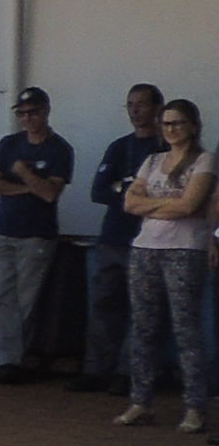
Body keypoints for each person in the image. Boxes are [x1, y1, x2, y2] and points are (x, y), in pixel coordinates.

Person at [116, 99, 215, 432]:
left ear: (193, 125)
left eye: (178, 123)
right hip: (145, 248)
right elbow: (129, 203)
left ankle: (195, 407)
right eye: (166, 124)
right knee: (144, 328)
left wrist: (153, 205)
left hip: (185, 250)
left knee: (186, 329)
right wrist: (167, 204)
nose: (171, 130)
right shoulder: (152, 160)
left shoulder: (204, 160)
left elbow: (190, 205)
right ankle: (141, 402)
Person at [71, 84, 166, 394]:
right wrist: (131, 192)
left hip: (147, 241)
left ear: (157, 108)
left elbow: (162, 195)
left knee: (142, 310)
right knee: (103, 306)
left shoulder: (165, 148)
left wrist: (123, 188)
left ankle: (130, 373)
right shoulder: (118, 147)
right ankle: (97, 370)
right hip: (111, 237)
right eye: (130, 105)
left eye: (141, 104)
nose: (135, 111)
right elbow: (98, 190)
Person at [0, 87, 75, 383]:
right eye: (21, 113)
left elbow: (50, 194)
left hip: (37, 234)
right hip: (4, 229)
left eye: (32, 112)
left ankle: (16, 360)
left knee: (26, 299)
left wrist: (23, 173)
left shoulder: (59, 148)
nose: (27, 118)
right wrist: (28, 187)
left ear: (46, 111)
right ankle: (3, 361)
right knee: (0, 297)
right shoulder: (9, 143)